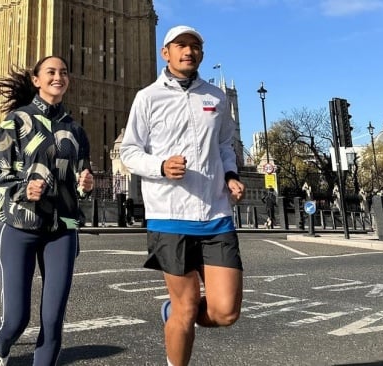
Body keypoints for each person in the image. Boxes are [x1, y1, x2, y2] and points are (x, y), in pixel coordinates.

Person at [120, 25, 245, 366]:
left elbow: (224, 145)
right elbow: (129, 151)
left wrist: (231, 175)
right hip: (170, 213)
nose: (188, 51)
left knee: (225, 312)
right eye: (181, 46)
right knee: (187, 306)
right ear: (167, 53)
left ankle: (174, 313)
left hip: (215, 214)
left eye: (194, 46)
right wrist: (160, 166)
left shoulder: (215, 98)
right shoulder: (148, 97)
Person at [0, 55, 94, 366]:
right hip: (20, 225)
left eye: (63, 72)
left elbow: (79, 181)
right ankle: (1, 350)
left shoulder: (76, 130)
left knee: (54, 321)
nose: (58, 77)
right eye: (51, 72)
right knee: (16, 320)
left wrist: (86, 184)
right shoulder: (16, 122)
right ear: (36, 80)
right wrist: (23, 188)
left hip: (63, 229)